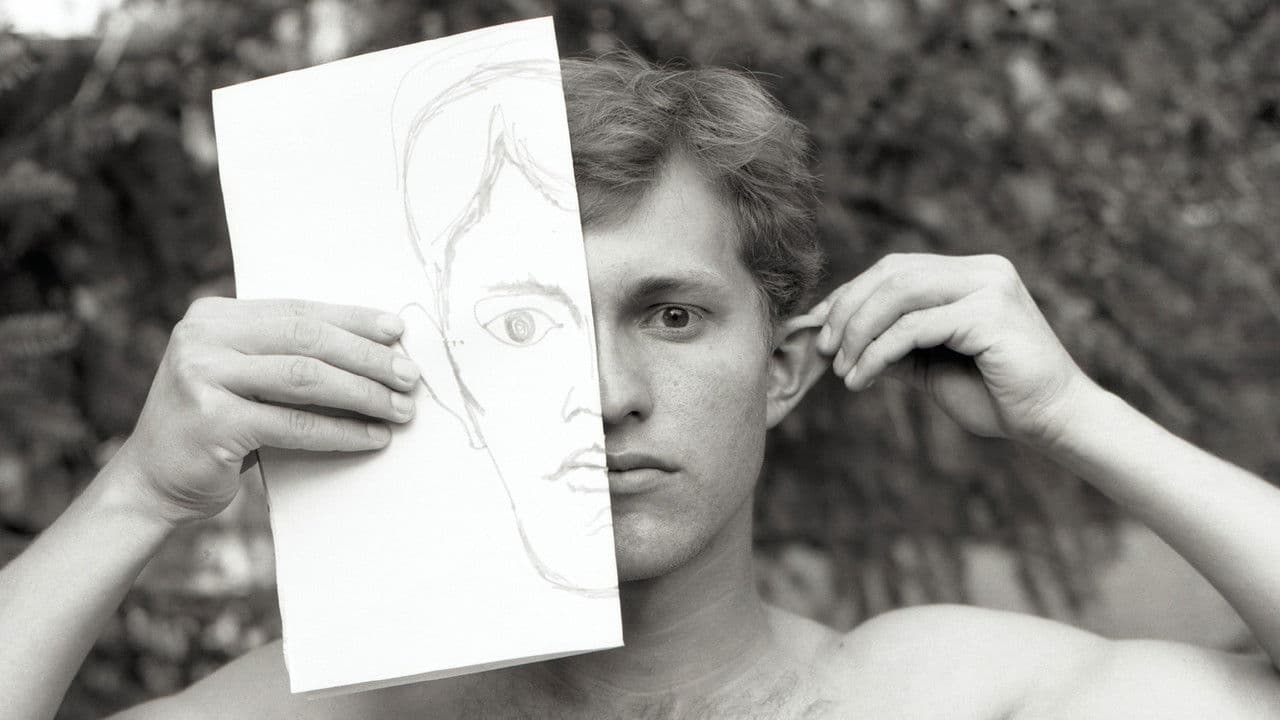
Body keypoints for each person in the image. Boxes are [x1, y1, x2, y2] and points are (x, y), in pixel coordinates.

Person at [3, 50, 1280, 720]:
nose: (605, 390)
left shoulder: (939, 697)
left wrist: (1074, 416)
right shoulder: (331, 713)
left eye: (670, 315)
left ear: (781, 370)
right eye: (523, 326)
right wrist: (136, 494)